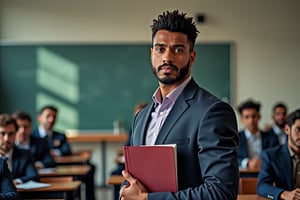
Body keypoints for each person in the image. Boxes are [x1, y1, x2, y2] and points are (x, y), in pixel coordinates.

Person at [119, 10, 239, 200]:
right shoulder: (141, 118)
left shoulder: (213, 112)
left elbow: (220, 192)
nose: (167, 57)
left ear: (191, 57)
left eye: (178, 49)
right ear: (151, 54)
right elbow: (135, 181)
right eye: (160, 49)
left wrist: (148, 199)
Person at [31, 105, 96, 200]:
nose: (51, 119)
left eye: (54, 117)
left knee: (88, 170)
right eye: (48, 116)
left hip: (60, 169)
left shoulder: (60, 136)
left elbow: (67, 150)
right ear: (40, 118)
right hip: (41, 170)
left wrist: (55, 152)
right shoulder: (32, 136)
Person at [257, 109, 300, 200]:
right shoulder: (271, 155)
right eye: (298, 129)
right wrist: (284, 194)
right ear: (287, 129)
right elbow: (262, 187)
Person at [237, 99, 279, 170]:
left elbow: (277, 157)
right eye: (247, 117)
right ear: (242, 119)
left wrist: (264, 162)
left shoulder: (272, 138)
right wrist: (247, 163)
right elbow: (231, 158)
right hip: (243, 176)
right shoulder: (235, 138)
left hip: (267, 175)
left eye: (254, 116)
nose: (251, 120)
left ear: (259, 117)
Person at [0, 114, 39, 185]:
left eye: (11, 134)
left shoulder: (25, 154)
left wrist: (17, 181)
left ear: (15, 134)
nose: (6, 139)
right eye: (2, 134)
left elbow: (34, 176)